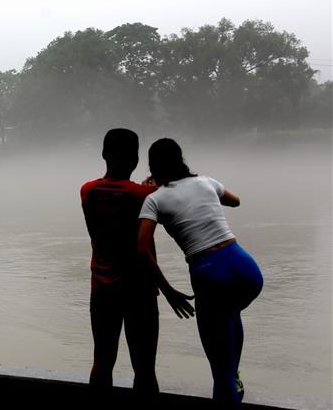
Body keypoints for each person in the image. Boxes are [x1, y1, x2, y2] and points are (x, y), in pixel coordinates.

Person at [137, 138, 263, 405]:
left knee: (219, 369)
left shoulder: (154, 199)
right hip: (247, 269)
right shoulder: (206, 182)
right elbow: (236, 201)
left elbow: (142, 249)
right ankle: (234, 375)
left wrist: (168, 291)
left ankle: (229, 381)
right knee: (230, 313)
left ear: (152, 167)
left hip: (210, 273)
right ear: (181, 160)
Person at [80, 128, 159, 395]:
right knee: (144, 367)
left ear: (104, 154)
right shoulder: (145, 195)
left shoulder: (88, 191)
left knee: (102, 361)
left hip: (102, 288)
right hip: (140, 290)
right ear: (135, 159)